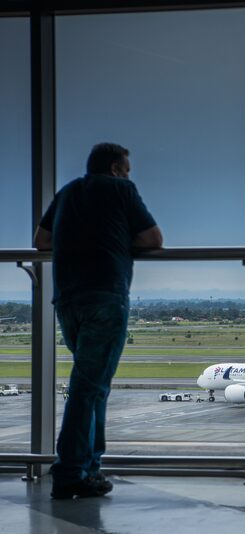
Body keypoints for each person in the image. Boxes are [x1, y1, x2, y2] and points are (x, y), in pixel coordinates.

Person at [34, 143, 163, 499]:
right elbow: (153, 238)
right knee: (87, 389)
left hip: (67, 297)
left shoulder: (68, 191)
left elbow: (41, 241)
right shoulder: (121, 189)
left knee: (92, 387)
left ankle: (88, 468)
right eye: (126, 170)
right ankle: (71, 472)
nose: (127, 175)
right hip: (104, 296)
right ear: (116, 168)